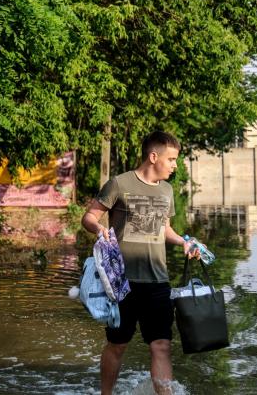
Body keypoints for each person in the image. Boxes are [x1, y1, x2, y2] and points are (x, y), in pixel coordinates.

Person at [81, 131, 201, 395]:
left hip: (158, 281)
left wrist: (183, 242)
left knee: (161, 345)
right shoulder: (119, 184)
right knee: (118, 345)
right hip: (121, 283)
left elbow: (164, 229)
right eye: (171, 159)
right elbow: (90, 215)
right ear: (153, 156)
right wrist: (97, 228)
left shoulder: (168, 190)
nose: (175, 165)